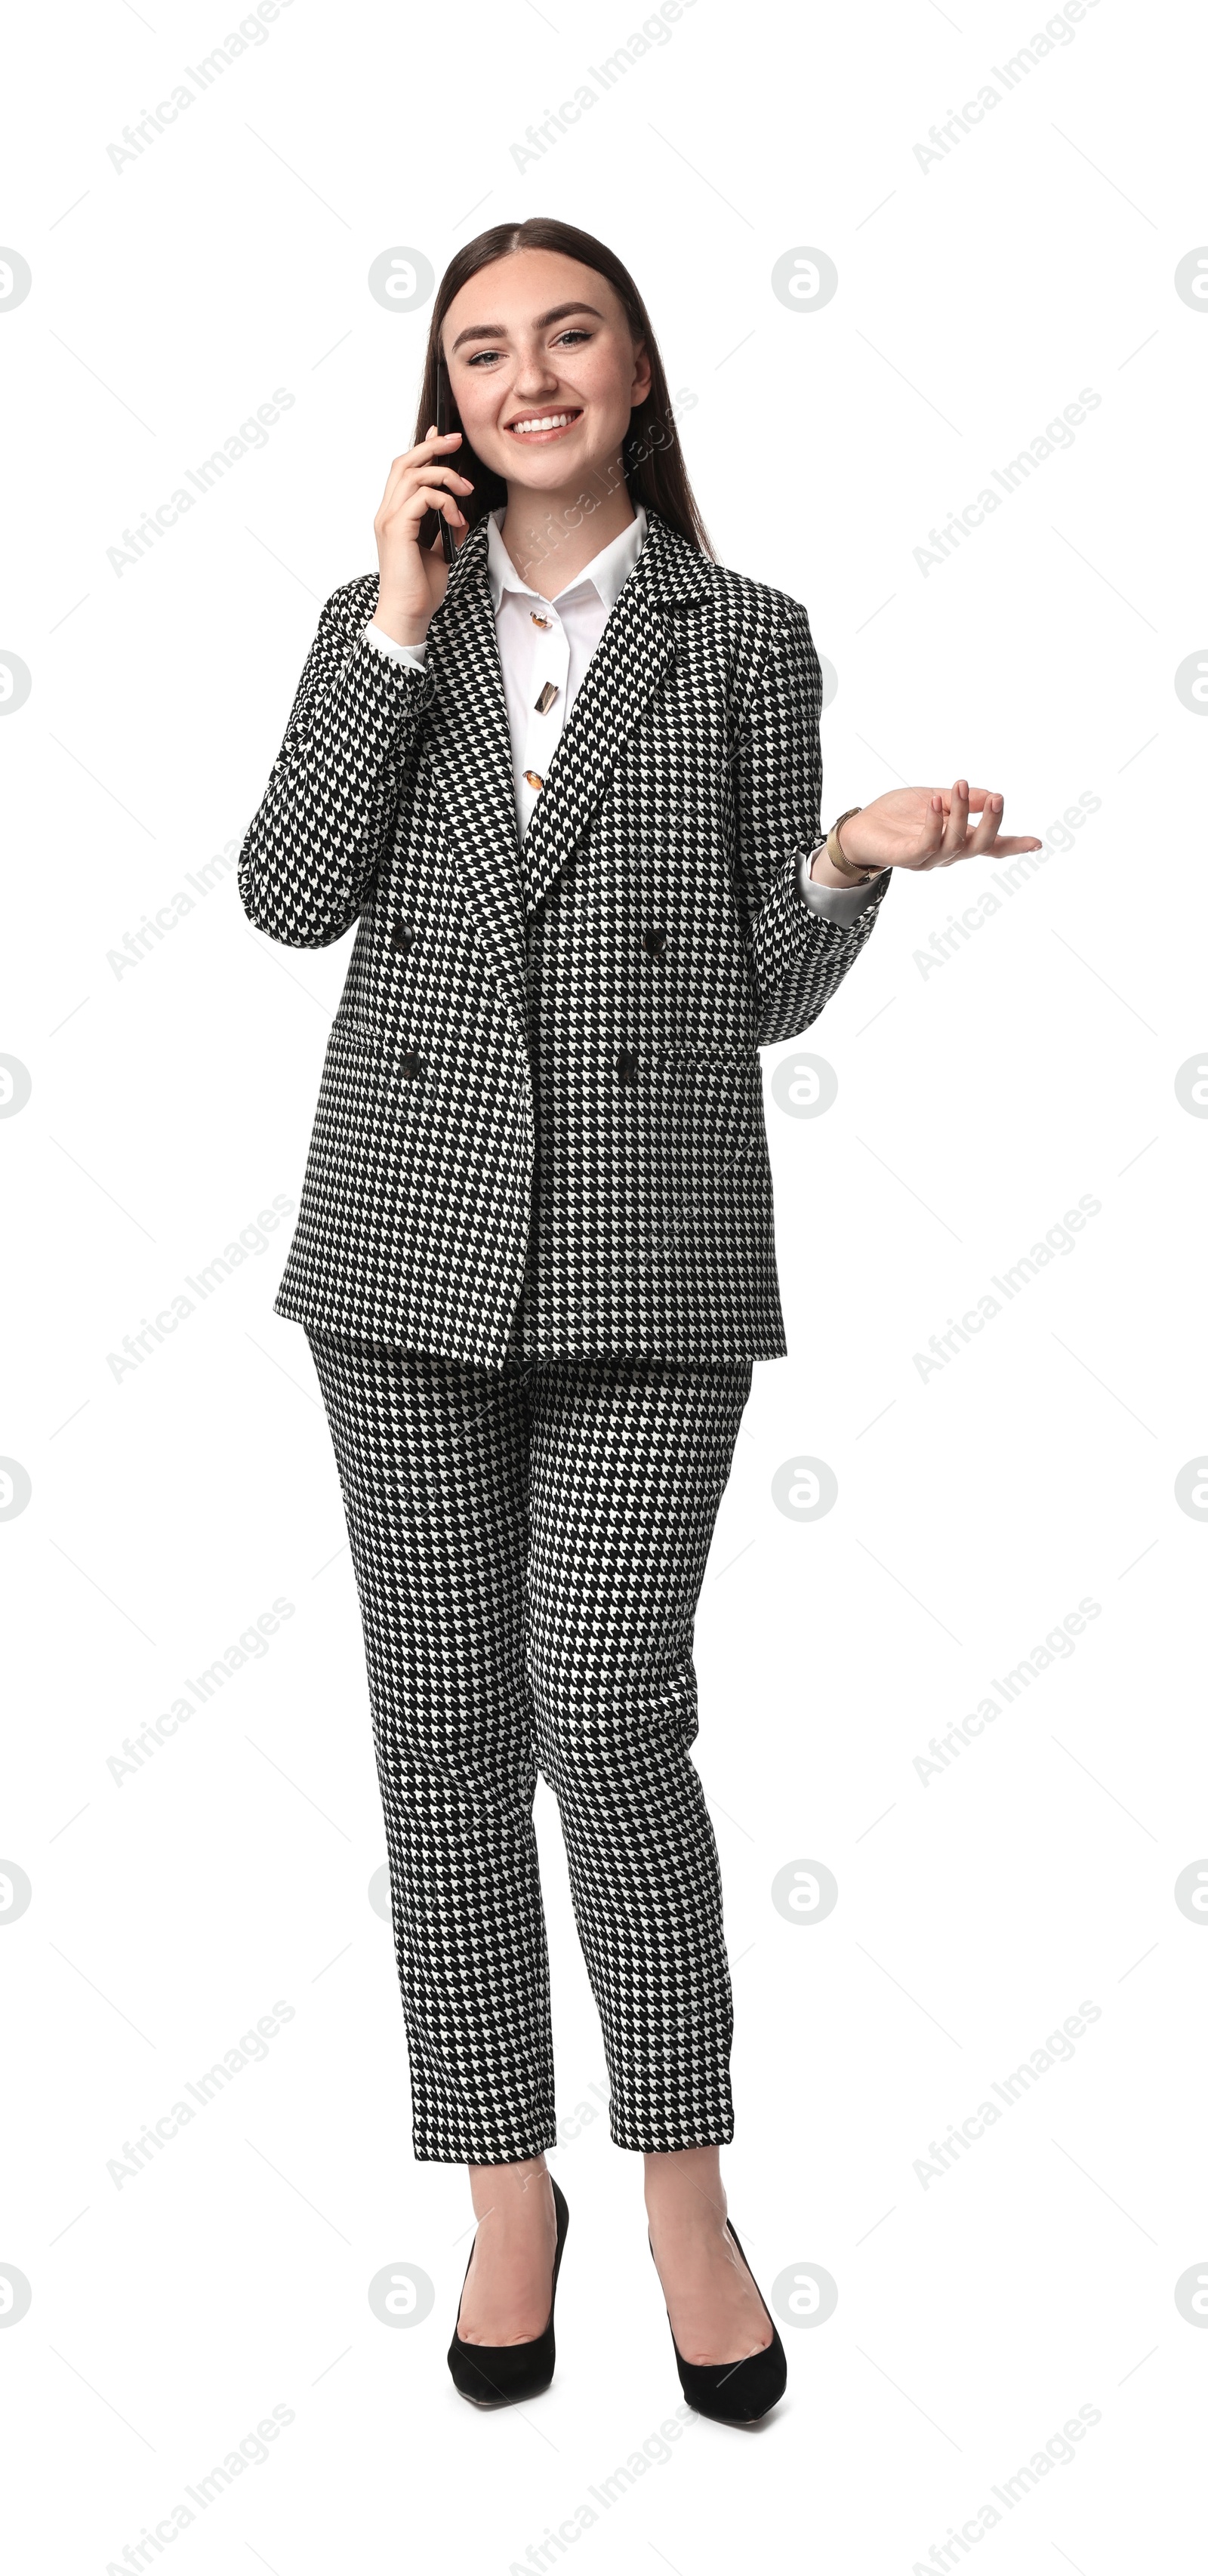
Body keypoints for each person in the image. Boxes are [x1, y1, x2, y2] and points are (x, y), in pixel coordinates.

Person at [239, 215, 1040, 2421]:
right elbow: (292, 895)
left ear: (639, 370)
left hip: (651, 1247)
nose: (528, 376)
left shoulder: (744, 636)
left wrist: (850, 861)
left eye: (567, 333)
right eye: (482, 348)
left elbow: (761, 988)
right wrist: (396, 624)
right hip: (398, 1253)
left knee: (602, 1708)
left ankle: (681, 2182)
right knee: (443, 1738)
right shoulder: (371, 627)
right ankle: (510, 2185)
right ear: (443, 399)